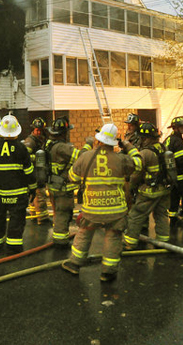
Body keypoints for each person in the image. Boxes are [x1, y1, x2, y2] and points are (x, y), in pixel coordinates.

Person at [61, 123, 141, 282]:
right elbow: (138, 163)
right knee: (113, 237)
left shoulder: (86, 157)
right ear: (115, 142)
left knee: (84, 233)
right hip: (116, 210)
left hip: (92, 209)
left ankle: (75, 264)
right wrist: (129, 146)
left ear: (98, 140)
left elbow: (73, 177)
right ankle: (108, 272)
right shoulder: (122, 159)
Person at [0, 114, 37, 253]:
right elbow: (29, 172)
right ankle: (14, 245)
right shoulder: (22, 149)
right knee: (17, 219)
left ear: (0, 131)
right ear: (17, 131)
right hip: (18, 195)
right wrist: (33, 188)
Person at [123, 122, 172, 250]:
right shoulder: (163, 148)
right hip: (164, 189)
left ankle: (130, 242)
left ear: (146, 138)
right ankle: (163, 240)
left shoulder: (145, 153)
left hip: (149, 191)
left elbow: (137, 174)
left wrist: (131, 187)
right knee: (161, 214)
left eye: (142, 138)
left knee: (136, 215)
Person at [44, 116, 81, 246]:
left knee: (59, 211)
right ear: (63, 133)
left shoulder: (49, 144)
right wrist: (88, 144)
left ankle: (60, 236)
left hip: (53, 185)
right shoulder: (62, 147)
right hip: (63, 187)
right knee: (63, 212)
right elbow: (82, 157)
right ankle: (60, 240)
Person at [23, 117, 50, 224]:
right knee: (40, 195)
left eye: (40, 130)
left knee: (34, 195)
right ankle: (42, 218)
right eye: (36, 130)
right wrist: (38, 158)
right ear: (33, 130)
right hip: (35, 173)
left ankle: (33, 215)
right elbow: (25, 157)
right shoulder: (30, 141)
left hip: (38, 172)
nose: (38, 132)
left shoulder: (41, 139)